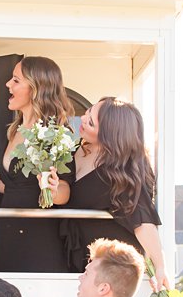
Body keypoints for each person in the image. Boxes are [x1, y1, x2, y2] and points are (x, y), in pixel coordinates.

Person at [66, 98, 169, 286]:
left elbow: (143, 221)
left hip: (111, 266)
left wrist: (160, 266)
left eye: (90, 122)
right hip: (77, 253)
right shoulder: (75, 150)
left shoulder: (125, 171)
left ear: (109, 135)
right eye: (88, 111)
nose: (82, 118)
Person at [0, 56, 72, 272]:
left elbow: (64, 191)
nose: (8, 84)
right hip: (8, 233)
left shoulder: (55, 134)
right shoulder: (13, 131)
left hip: (37, 237)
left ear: (37, 89)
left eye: (16, 80)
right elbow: (14, 186)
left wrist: (53, 190)